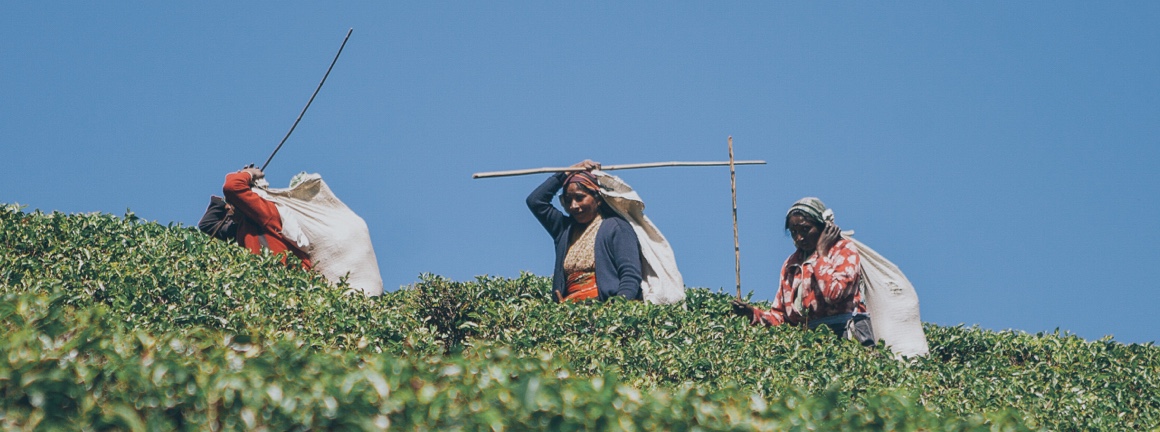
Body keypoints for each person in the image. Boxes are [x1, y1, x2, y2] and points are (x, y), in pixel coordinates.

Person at [731, 197, 874, 345]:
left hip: (847, 335)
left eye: (806, 229)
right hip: (812, 343)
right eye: (794, 232)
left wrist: (822, 254)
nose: (799, 238)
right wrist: (752, 314)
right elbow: (781, 318)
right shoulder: (791, 264)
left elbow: (834, 294)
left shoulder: (843, 250)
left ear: (823, 227)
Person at [527, 160, 642, 302]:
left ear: (598, 199)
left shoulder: (616, 228)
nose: (573, 205)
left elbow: (630, 275)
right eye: (568, 200)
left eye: (580, 198)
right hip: (569, 315)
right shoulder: (564, 230)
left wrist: (616, 309)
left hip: (605, 310)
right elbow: (535, 201)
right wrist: (566, 172)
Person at [221, 165, 311, 268]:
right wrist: (244, 175)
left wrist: (249, 173)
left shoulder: (265, 211)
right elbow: (208, 224)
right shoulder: (243, 227)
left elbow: (232, 186)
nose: (226, 207)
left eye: (230, 202)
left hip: (286, 276)